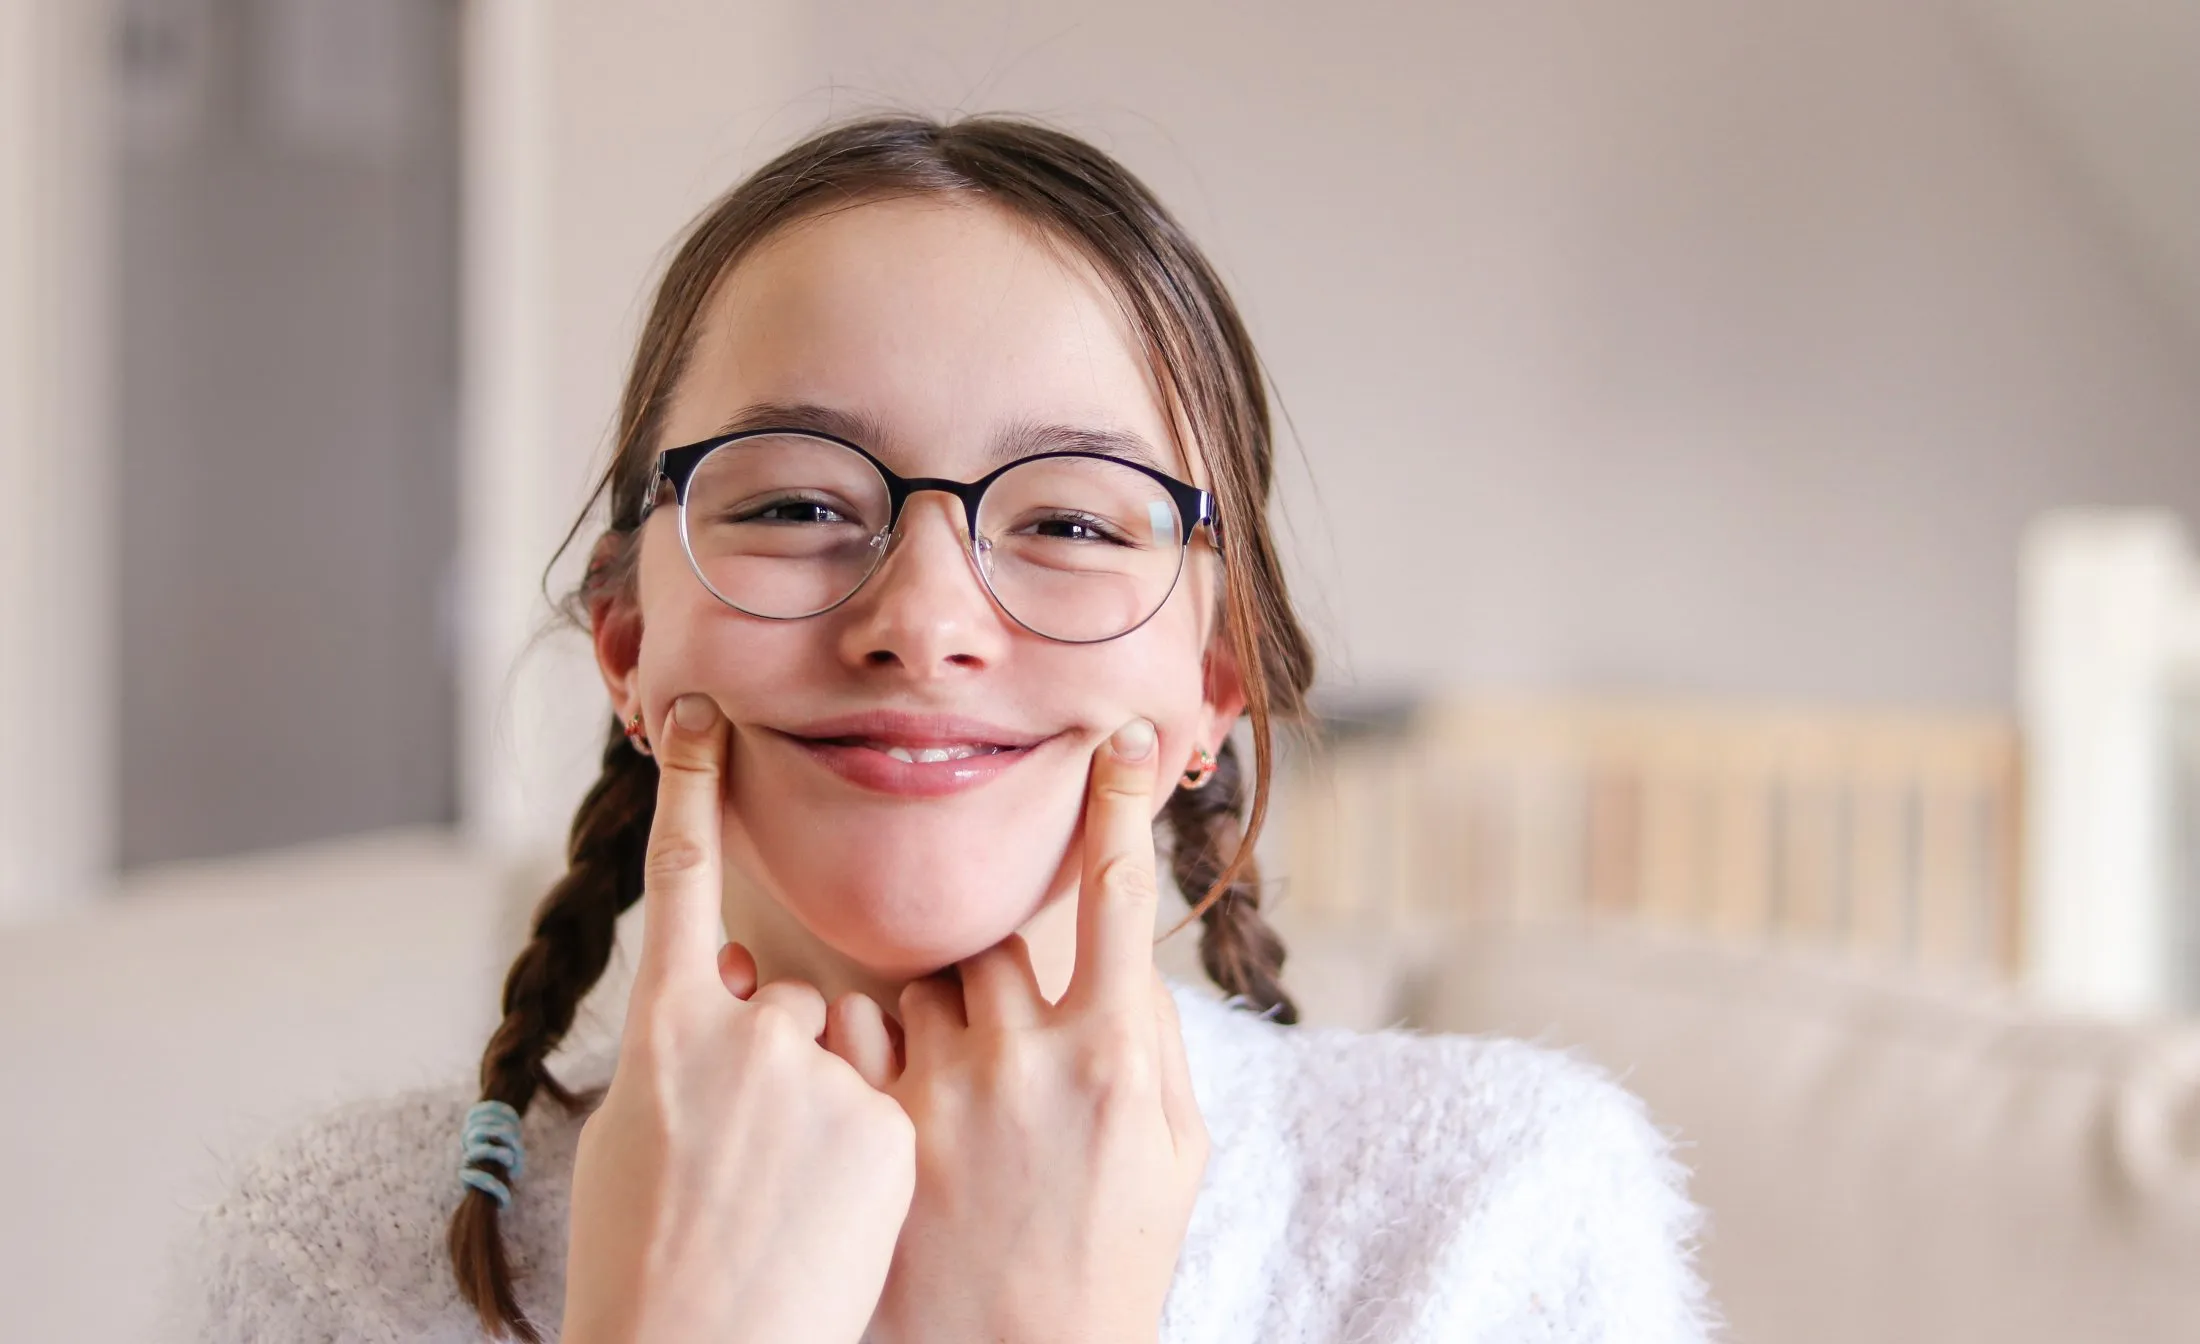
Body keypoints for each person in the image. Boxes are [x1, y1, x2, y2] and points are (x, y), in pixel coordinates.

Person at [163, 115, 1719, 1343]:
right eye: (795, 504)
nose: (922, 617)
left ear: (1214, 686)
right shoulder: (334, 1255)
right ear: (628, 649)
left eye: (1071, 524)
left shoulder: (1493, 1211)